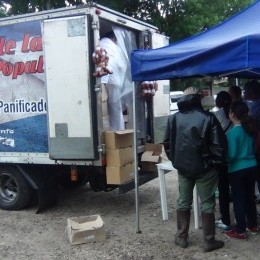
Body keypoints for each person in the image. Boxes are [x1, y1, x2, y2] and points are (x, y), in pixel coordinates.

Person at [164, 87, 227, 252]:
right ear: (198, 99)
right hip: (205, 169)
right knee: (207, 204)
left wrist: (177, 161)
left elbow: (167, 144)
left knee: (183, 201)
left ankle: (181, 237)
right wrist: (214, 163)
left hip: (184, 169)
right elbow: (219, 145)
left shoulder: (174, 119)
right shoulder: (208, 117)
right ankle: (208, 241)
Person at [225, 101, 258, 240]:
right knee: (250, 197)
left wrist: (224, 160)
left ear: (232, 114)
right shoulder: (249, 128)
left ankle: (240, 230)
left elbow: (231, 155)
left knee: (238, 199)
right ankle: (253, 225)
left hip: (237, 169)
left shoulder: (233, 132)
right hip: (252, 166)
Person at [99, 31, 128, 130]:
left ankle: (106, 132)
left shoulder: (100, 44)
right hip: (114, 81)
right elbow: (122, 65)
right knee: (116, 110)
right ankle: (118, 131)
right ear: (114, 38)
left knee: (104, 110)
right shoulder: (114, 47)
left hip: (101, 80)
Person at [213, 91, 232, 231]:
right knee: (240, 190)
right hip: (239, 161)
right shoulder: (236, 112)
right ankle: (247, 218)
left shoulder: (216, 115)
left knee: (223, 190)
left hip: (222, 158)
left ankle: (225, 219)